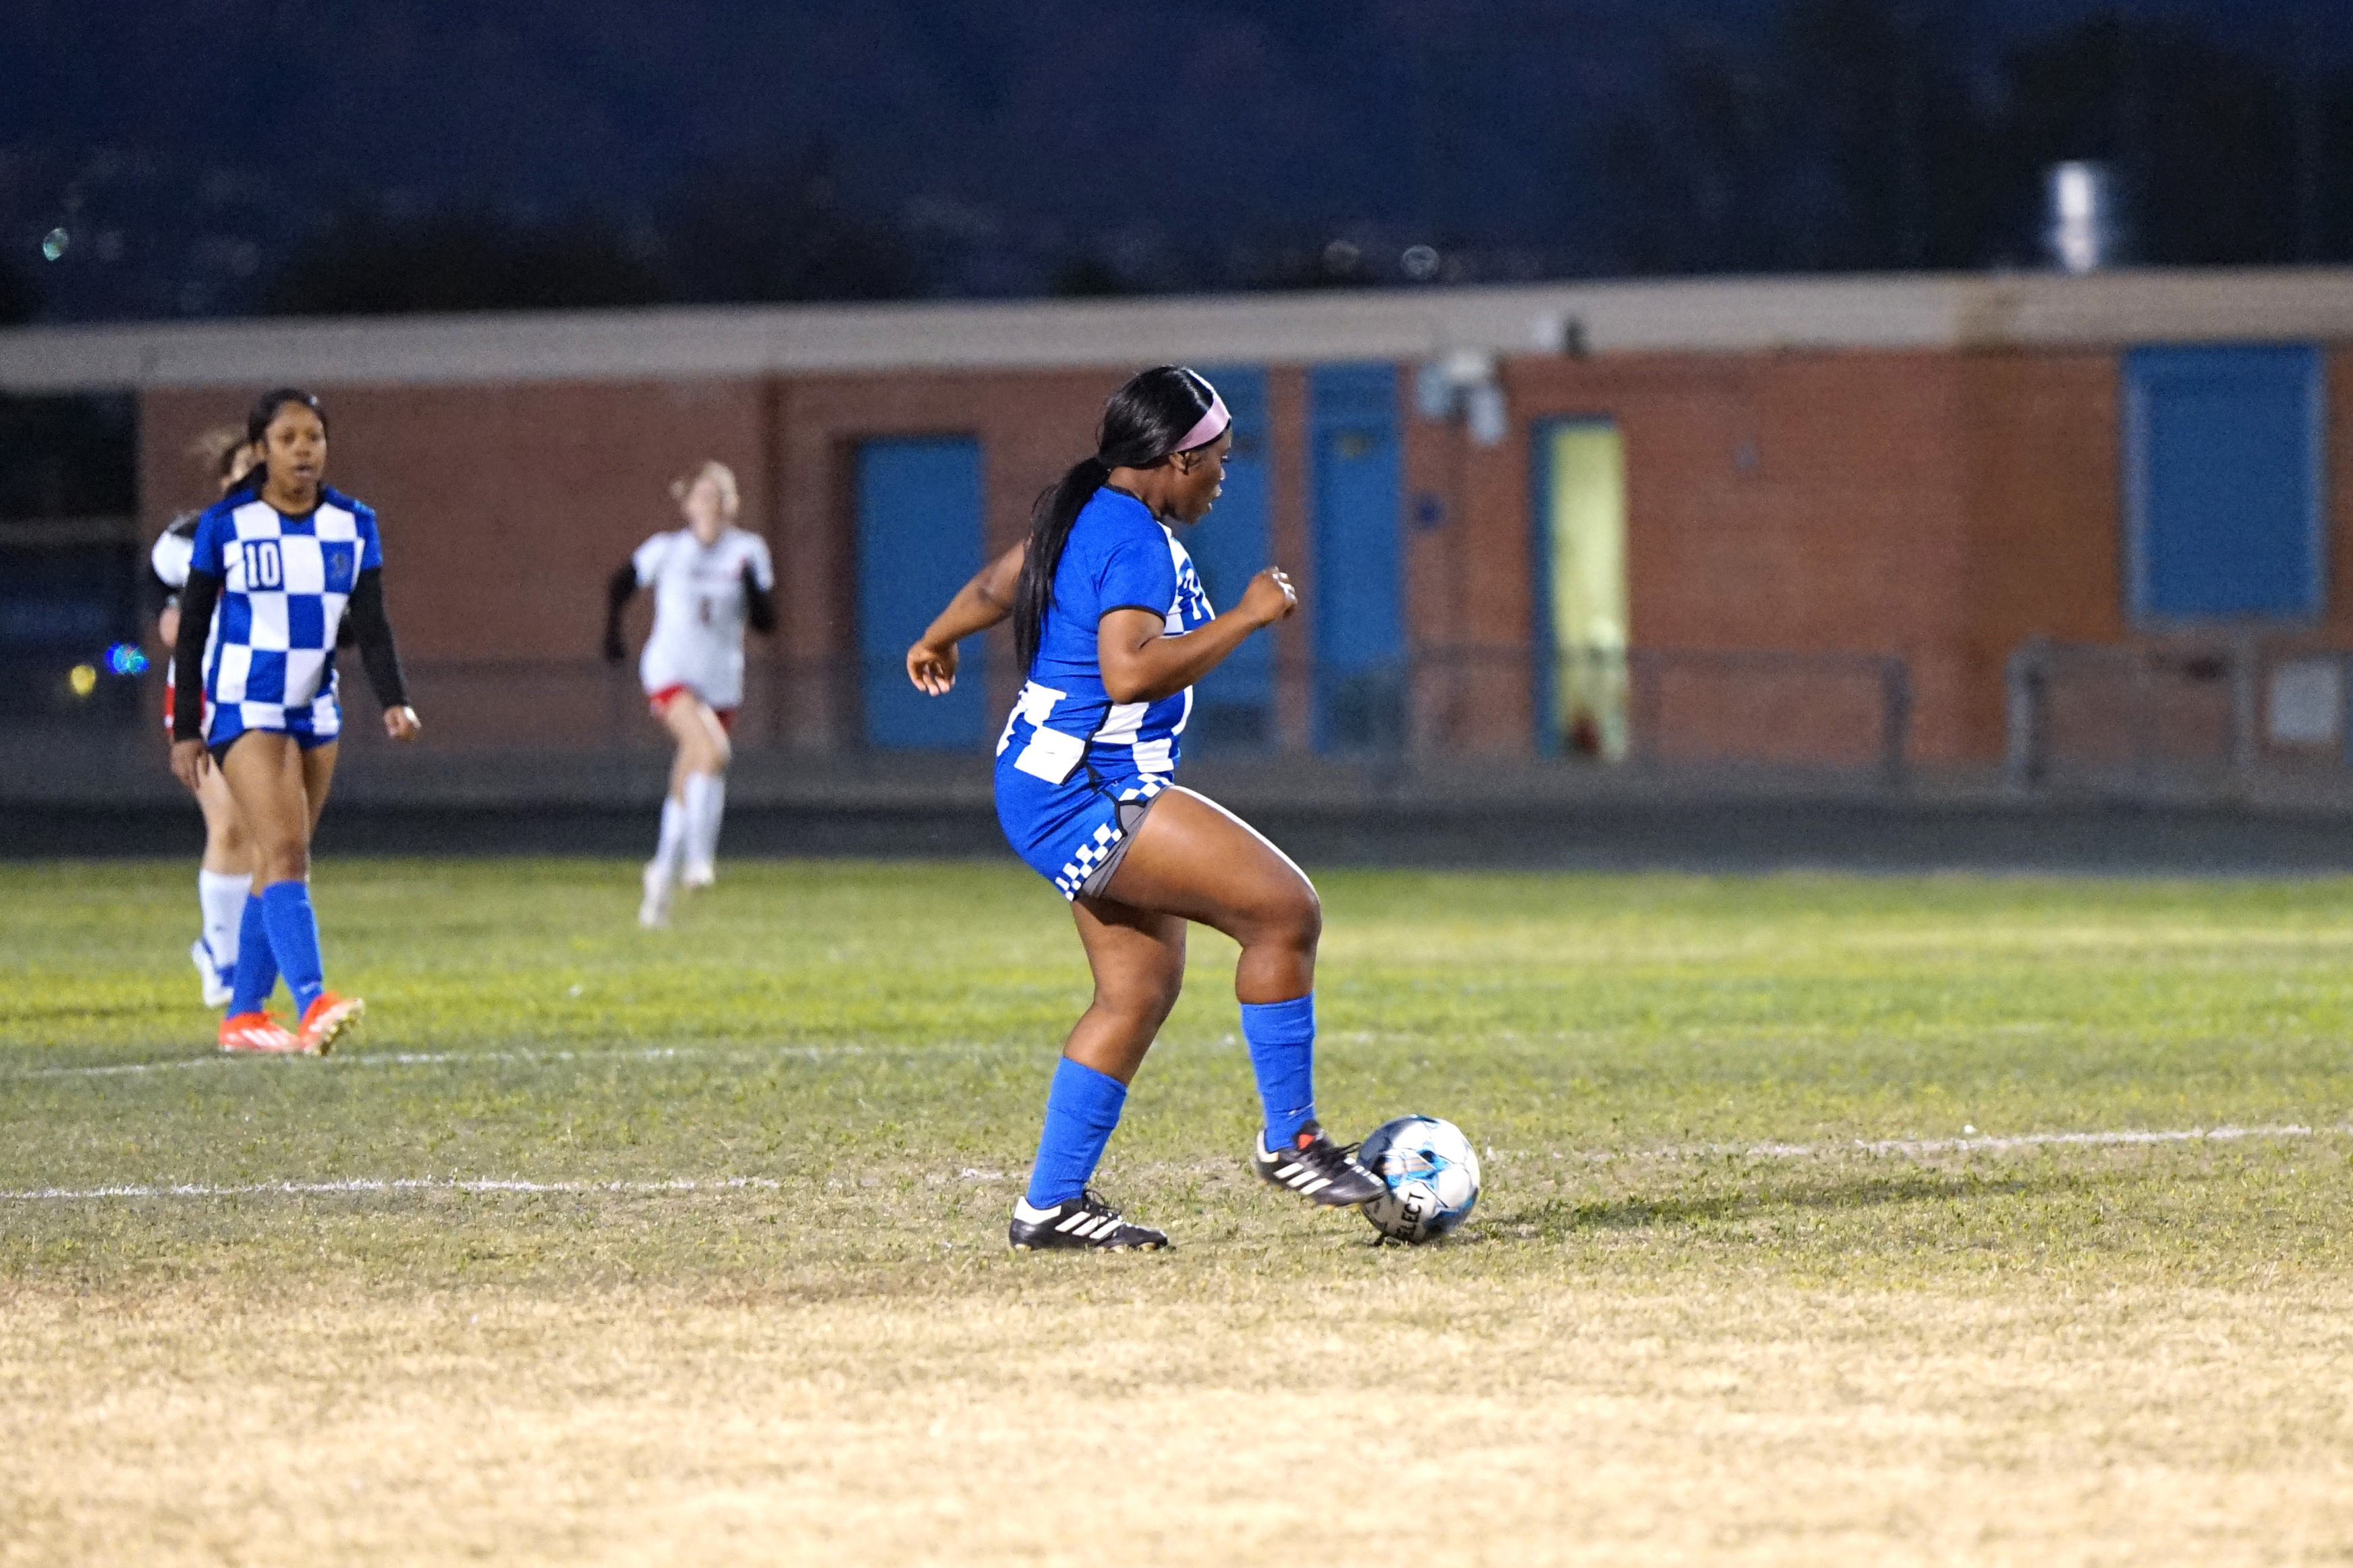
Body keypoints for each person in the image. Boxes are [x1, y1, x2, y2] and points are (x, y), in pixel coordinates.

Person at [904, 365, 1382, 1251]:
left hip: (1050, 782)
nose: (1222, 477)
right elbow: (1128, 669)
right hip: (1085, 791)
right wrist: (1243, 617)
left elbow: (1001, 582)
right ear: (1173, 459)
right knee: (1284, 912)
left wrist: (937, 635)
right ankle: (1291, 1140)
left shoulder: (1086, 512)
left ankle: (1049, 1207)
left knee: (1136, 989)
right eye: (1219, 461)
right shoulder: (1134, 541)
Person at [169, 388, 421, 1055]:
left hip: (315, 704)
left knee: (278, 859)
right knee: (286, 852)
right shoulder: (227, 524)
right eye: (288, 438)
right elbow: (192, 629)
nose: (305, 448)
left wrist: (394, 697)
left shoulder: (353, 522)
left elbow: (370, 620)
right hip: (245, 704)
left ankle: (244, 1015)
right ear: (262, 450)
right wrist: (187, 728)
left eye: (314, 435)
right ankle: (313, 1001)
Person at [603, 460, 776, 928]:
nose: (709, 505)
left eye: (718, 496)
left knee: (691, 770)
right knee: (711, 752)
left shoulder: (747, 550)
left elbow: (766, 623)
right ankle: (699, 860)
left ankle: (659, 874)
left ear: (730, 504)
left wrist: (750, 591)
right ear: (687, 504)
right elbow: (619, 584)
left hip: (720, 680)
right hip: (670, 671)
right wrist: (612, 635)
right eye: (702, 496)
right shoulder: (668, 550)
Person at [151, 430, 262, 1009]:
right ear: (224, 479)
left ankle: (224, 947)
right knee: (228, 824)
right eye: (243, 469)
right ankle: (222, 960)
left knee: (255, 832)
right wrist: (174, 619)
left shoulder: (293, 538)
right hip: (202, 701)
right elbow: (165, 611)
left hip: (262, 700)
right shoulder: (188, 540)